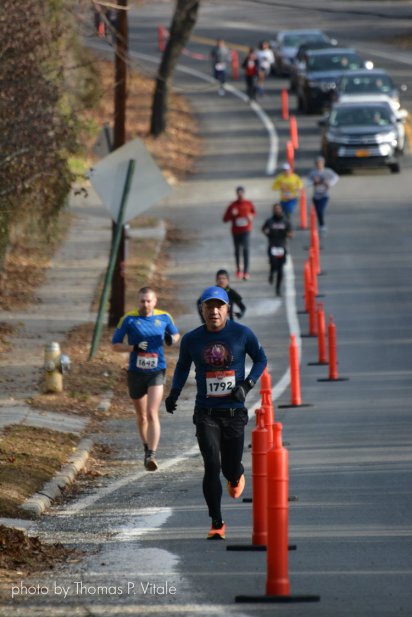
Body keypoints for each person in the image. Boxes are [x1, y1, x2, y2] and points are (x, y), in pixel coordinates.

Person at [164, 286, 267, 540]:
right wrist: (174, 393)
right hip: (206, 413)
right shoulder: (192, 339)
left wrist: (247, 385)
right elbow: (182, 367)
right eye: (209, 306)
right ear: (202, 309)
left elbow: (261, 359)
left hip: (234, 412)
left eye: (219, 306)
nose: (214, 311)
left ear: (227, 308)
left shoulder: (242, 333)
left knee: (230, 468)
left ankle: (236, 476)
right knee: (212, 465)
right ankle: (217, 522)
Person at [112, 286, 180, 471]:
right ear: (138, 301)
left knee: (151, 412)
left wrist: (171, 339)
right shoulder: (128, 319)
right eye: (142, 301)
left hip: (157, 370)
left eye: (149, 301)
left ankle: (152, 454)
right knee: (142, 416)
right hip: (136, 372)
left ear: (155, 301)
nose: (146, 304)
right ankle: (146, 447)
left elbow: (176, 334)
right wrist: (133, 348)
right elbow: (115, 345)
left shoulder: (164, 317)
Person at [223, 186, 256, 280]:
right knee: (237, 250)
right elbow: (225, 219)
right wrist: (231, 214)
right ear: (236, 194)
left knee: (246, 249)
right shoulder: (232, 205)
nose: (240, 195)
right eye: (238, 193)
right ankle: (238, 269)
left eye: (242, 193)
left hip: (246, 230)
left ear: (244, 193)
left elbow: (254, 212)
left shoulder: (248, 203)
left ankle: (246, 272)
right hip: (236, 231)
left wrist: (251, 216)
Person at [262, 203, 293, 296]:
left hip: (282, 246)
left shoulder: (285, 221)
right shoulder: (270, 221)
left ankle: (278, 288)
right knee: (274, 264)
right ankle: (271, 273)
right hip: (272, 245)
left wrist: (288, 234)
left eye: (279, 209)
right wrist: (267, 233)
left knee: (280, 269)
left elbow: (291, 233)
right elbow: (263, 229)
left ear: (281, 210)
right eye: (275, 209)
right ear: (273, 210)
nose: (277, 210)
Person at [306, 156, 339, 236]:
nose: (319, 164)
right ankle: (320, 225)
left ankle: (322, 226)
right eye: (317, 163)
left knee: (320, 211)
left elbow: (336, 177)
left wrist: (330, 184)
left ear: (323, 163)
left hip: (324, 195)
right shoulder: (313, 173)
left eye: (320, 163)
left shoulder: (328, 171)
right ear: (315, 164)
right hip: (315, 195)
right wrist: (314, 182)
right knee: (318, 212)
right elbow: (307, 182)